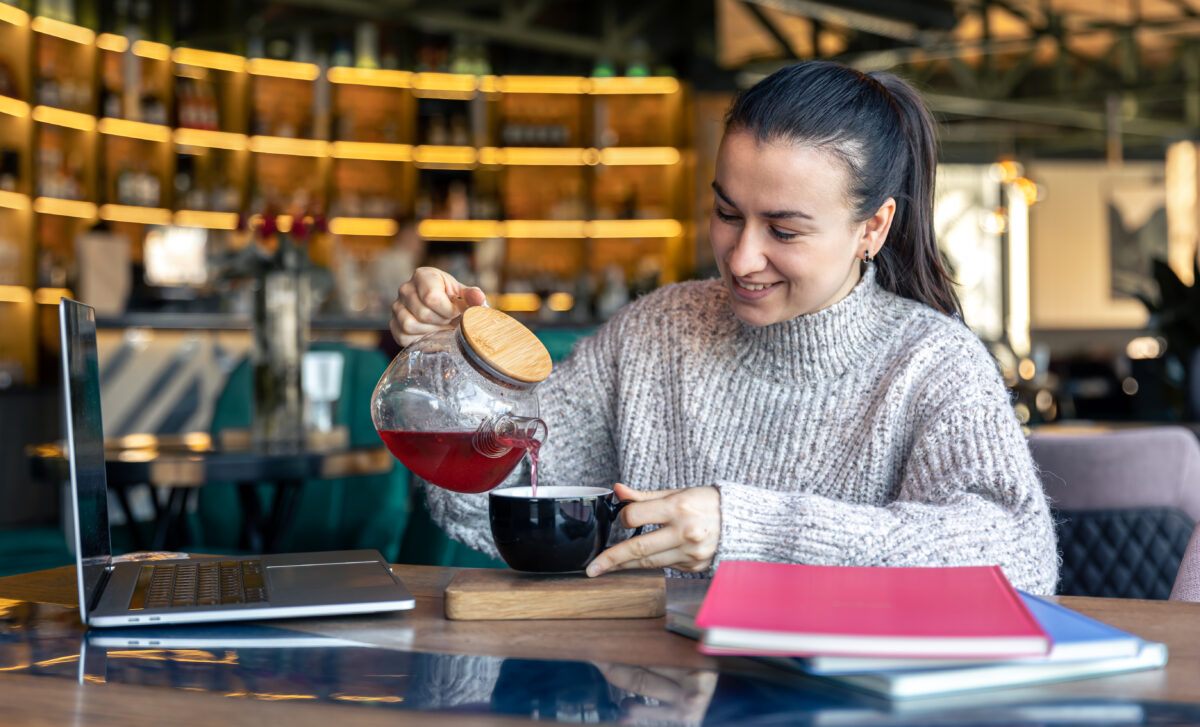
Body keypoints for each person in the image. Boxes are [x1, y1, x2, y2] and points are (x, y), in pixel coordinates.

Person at [390, 61, 1059, 595]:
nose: (741, 257)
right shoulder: (657, 332)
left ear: (873, 226)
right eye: (727, 213)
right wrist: (451, 371)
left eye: (784, 229)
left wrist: (746, 529)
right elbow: (490, 502)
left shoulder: (932, 362)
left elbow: (1018, 557)